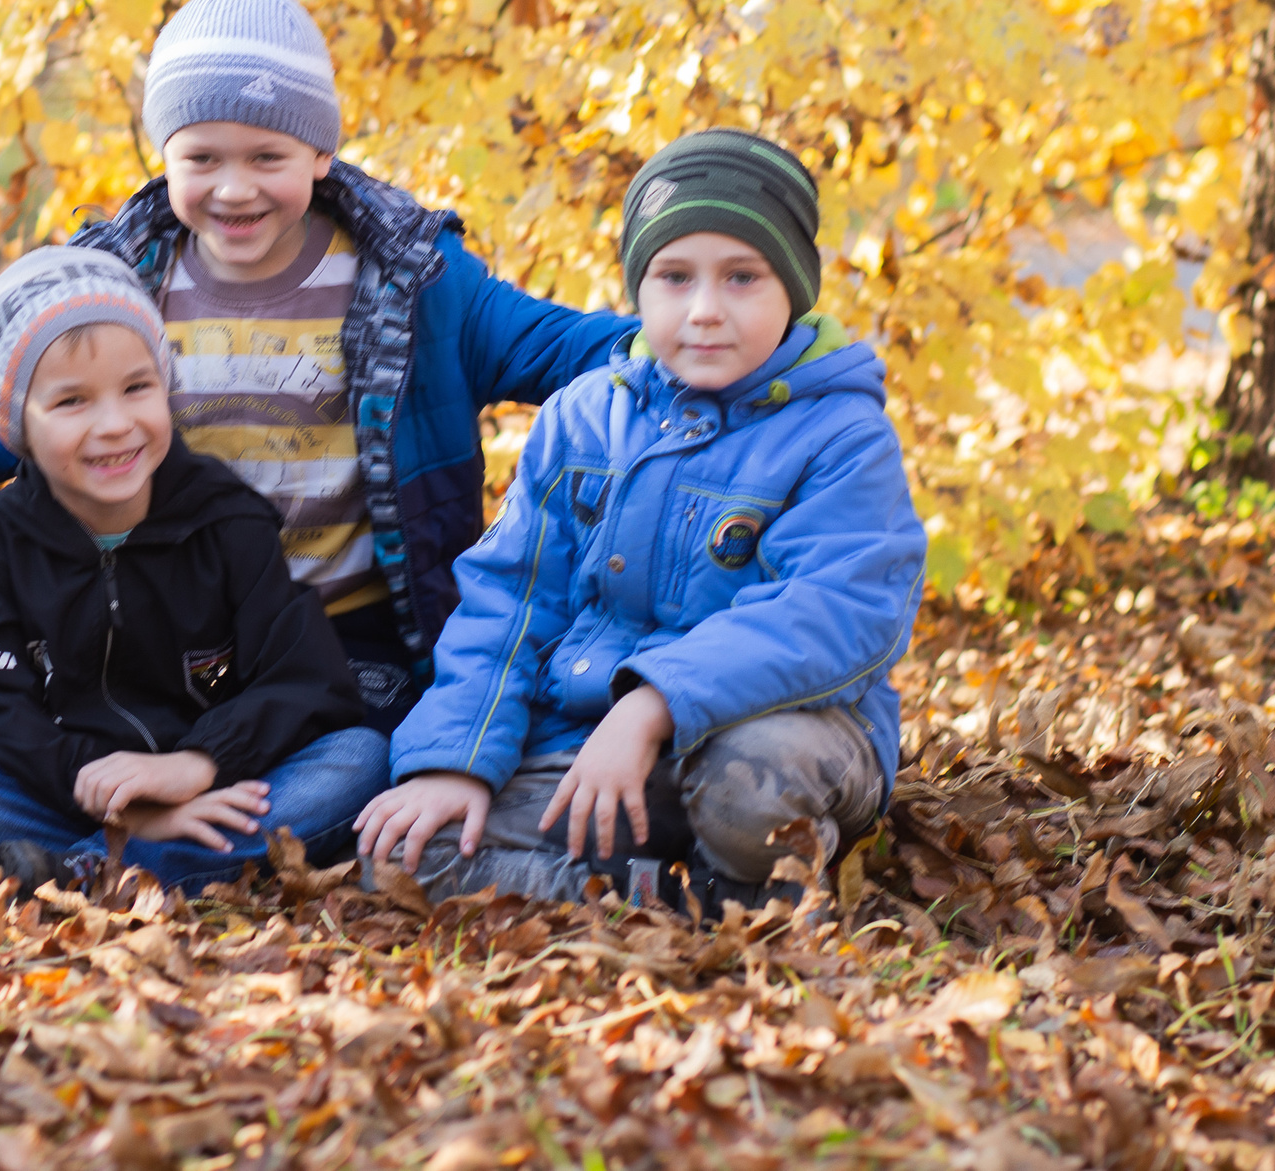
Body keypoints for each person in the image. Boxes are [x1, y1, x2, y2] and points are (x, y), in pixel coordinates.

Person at [0, 0, 639, 730]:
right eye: (202, 157)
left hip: (347, 637)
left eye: (268, 155)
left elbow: (574, 348)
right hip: (158, 632)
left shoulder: (417, 283)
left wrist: (698, 334)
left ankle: (200, 815)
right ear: (165, 155)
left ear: (321, 152)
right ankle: (136, 807)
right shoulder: (119, 282)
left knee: (357, 760)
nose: (233, 186)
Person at [354, 128, 925, 911]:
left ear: (794, 286)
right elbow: (512, 600)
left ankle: (752, 877)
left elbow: (835, 611)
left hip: (783, 733)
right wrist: (455, 758)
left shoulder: (841, 433)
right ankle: (680, 900)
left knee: (748, 791)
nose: (704, 310)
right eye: (674, 276)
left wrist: (653, 702)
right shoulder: (583, 417)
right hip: (593, 746)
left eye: (742, 277)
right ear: (638, 286)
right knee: (412, 853)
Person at [0, 246, 388, 892]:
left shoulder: (226, 518)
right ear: (19, 424)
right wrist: (122, 805)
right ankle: (131, 854)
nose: (115, 424)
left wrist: (198, 763)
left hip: (215, 781)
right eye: (72, 401)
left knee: (358, 757)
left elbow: (307, 676)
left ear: (165, 387)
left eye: (136, 388)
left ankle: (89, 868)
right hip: (68, 787)